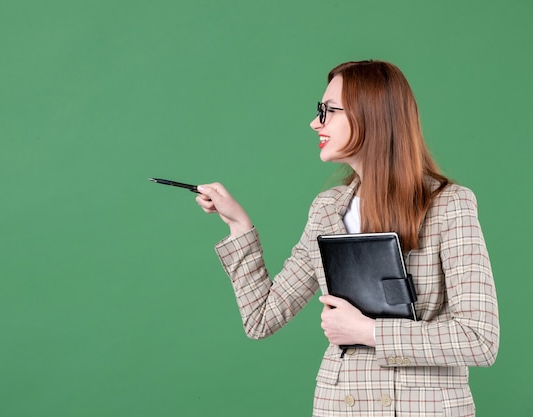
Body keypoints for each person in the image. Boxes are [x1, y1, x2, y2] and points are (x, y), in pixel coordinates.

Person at [195, 60, 499, 416]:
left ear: (370, 115)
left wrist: (367, 330)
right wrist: (239, 226)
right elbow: (262, 318)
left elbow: (479, 339)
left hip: (423, 406)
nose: (315, 122)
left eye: (328, 111)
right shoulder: (327, 210)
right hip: (341, 405)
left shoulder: (447, 204)